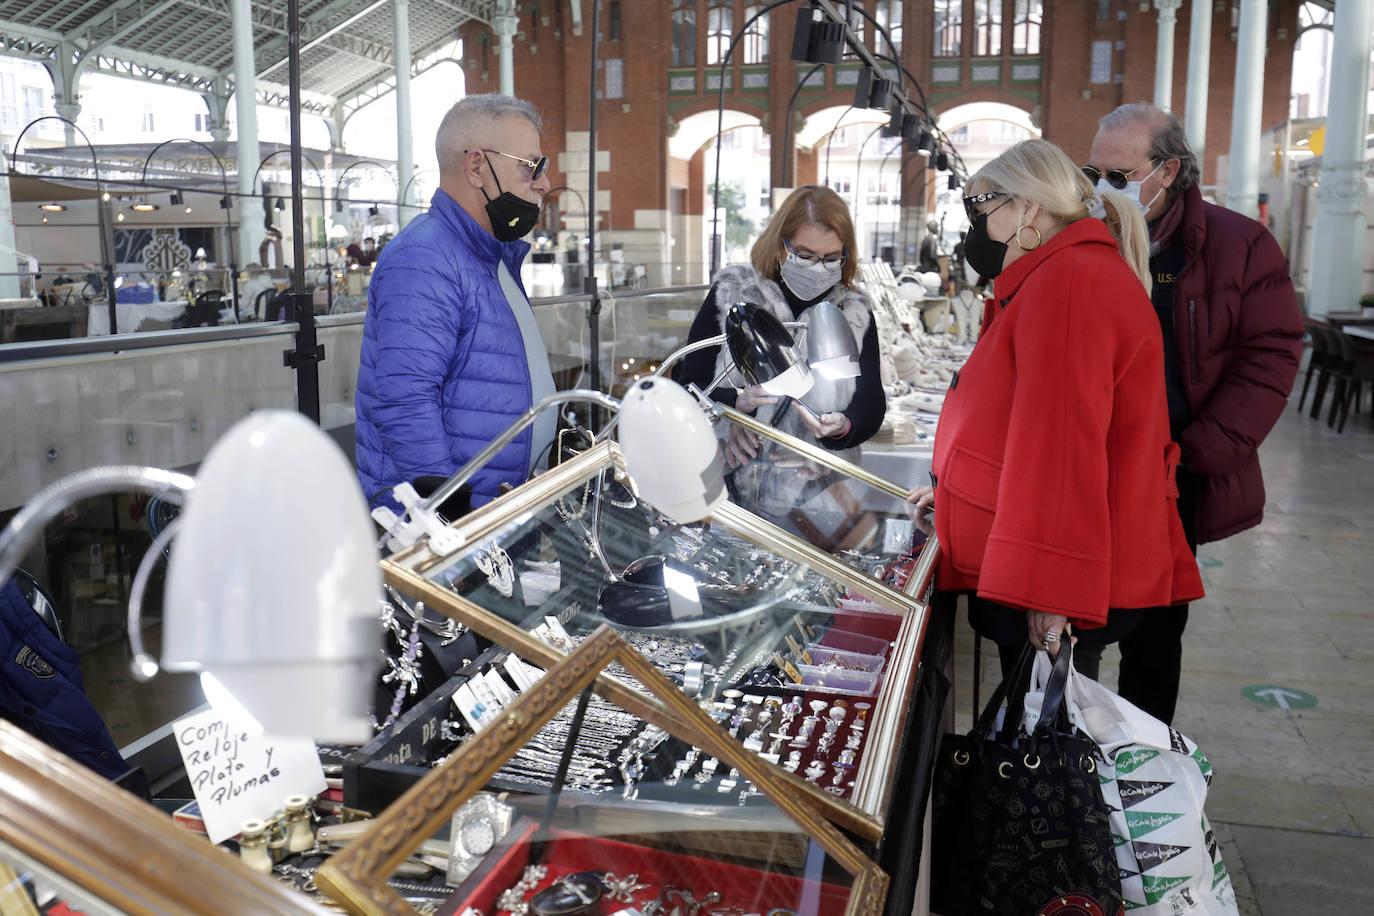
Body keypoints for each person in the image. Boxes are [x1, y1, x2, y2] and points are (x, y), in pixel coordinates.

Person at [907, 138, 1203, 680]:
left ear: (1028, 208)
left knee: (1039, 744)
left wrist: (1051, 584)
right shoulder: (1063, 275)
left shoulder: (1067, 285)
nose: (978, 228)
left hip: (1051, 571)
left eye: (983, 208)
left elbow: (1062, 452)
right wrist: (957, 494)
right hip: (1046, 550)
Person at [1087, 103, 1303, 723]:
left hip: (1175, 470)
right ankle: (1072, 769)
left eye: (1120, 175)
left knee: (1155, 634)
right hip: (1094, 465)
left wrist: (1204, 449)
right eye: (1094, 172)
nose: (1104, 188)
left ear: (1169, 169)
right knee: (1081, 621)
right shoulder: (1088, 234)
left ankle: (1143, 768)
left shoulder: (1238, 245)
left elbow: (1272, 351)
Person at [355, 94, 554, 510]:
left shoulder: (492, 254)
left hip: (496, 519)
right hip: (450, 537)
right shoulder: (425, 258)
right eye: (530, 165)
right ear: (477, 166)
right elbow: (405, 403)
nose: (543, 182)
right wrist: (451, 520)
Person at [676, 185, 885, 467]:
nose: (818, 268)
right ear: (779, 246)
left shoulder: (853, 312)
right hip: (726, 475)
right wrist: (736, 404)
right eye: (805, 255)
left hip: (810, 487)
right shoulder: (733, 294)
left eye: (832, 258)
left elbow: (870, 401)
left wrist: (842, 428)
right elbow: (688, 386)